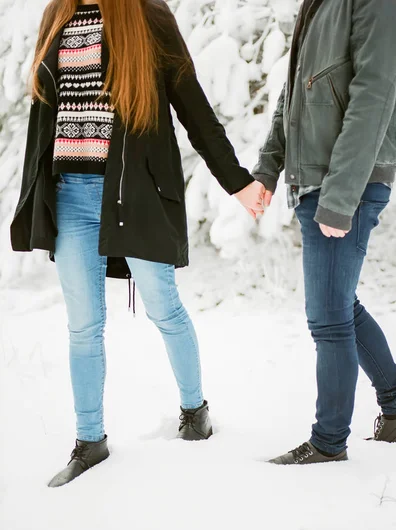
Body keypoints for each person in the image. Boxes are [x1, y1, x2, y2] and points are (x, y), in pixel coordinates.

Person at [10, 0, 265, 487]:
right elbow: (44, 118)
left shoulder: (146, 15)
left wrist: (238, 182)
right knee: (83, 325)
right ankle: (90, 441)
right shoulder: (57, 15)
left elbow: (194, 107)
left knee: (163, 307)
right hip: (70, 196)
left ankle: (195, 413)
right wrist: (34, 198)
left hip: (135, 195)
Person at [253, 0, 396, 465]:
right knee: (340, 303)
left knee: (328, 318)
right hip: (320, 175)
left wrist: (340, 194)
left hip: (347, 177)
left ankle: (328, 443)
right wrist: (268, 168)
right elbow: (293, 93)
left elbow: (374, 94)